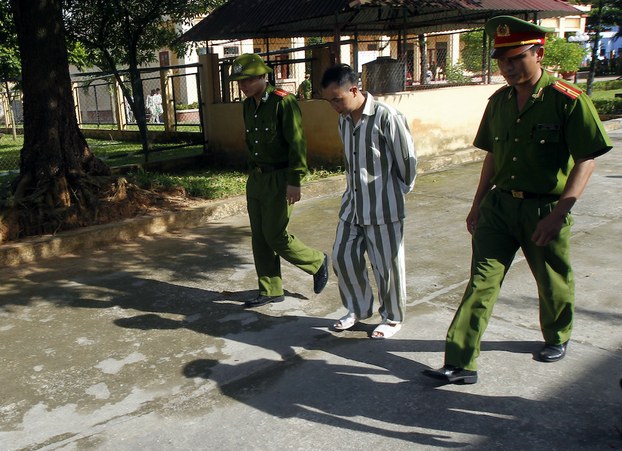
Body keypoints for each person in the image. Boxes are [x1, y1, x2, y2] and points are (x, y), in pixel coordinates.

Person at [423, 16, 612, 384]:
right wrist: (477, 203)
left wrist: (559, 213)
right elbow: (492, 155)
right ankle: (461, 361)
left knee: (551, 279)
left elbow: (586, 160)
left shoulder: (567, 100)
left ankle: (557, 335)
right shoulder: (499, 102)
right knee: (481, 282)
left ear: (538, 53)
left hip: (544, 207)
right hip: (499, 207)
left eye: (516, 58)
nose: (508, 67)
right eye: (502, 60)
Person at [320, 64, 417, 339]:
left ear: (354, 90)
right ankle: (358, 308)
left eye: (337, 99)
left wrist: (394, 194)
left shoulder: (387, 117)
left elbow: (407, 161)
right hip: (352, 205)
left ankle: (392, 318)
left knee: (387, 266)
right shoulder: (344, 120)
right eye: (329, 101)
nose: (334, 106)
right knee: (343, 256)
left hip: (384, 207)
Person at [229, 53, 329, 308]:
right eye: (240, 81)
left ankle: (316, 261)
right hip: (257, 179)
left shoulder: (283, 102)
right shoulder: (247, 105)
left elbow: (297, 142)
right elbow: (251, 142)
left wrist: (295, 180)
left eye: (248, 80)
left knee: (274, 234)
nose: (243, 85)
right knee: (259, 237)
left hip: (280, 178)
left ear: (264, 76)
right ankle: (270, 290)